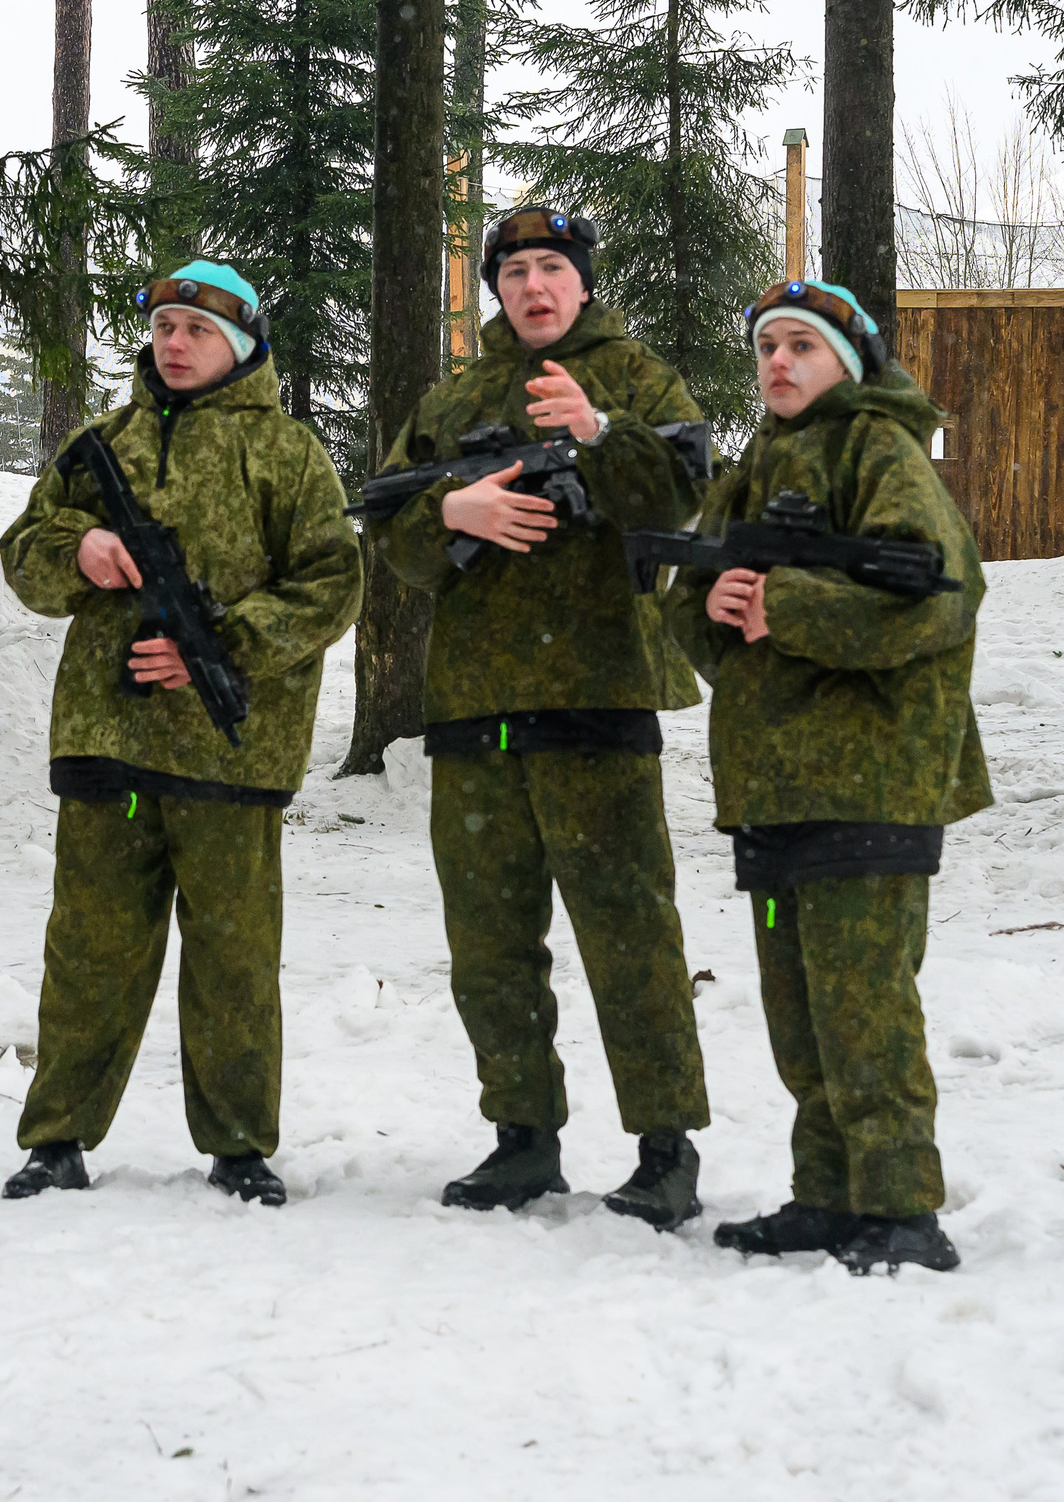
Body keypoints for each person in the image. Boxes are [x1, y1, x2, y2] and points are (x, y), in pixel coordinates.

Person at [371, 207, 713, 1228]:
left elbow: (681, 496)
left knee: (628, 931)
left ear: (582, 283)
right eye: (514, 270)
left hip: (599, 695)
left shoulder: (637, 378)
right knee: (488, 940)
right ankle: (522, 1139)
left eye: (551, 268)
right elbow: (387, 525)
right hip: (477, 704)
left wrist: (600, 436)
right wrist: (446, 515)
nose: (532, 286)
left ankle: (665, 1148)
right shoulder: (456, 394)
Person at [0, 263, 362, 1207]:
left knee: (233, 955)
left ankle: (240, 1145)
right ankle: (58, 1137)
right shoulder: (99, 444)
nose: (174, 340)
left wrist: (223, 651)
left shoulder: (287, 453)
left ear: (238, 346)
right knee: (89, 951)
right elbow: (25, 556)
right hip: (106, 739)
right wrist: (76, 551)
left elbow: (332, 583)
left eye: (195, 327)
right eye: (162, 324)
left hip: (231, 752)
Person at [662, 278, 990, 1275]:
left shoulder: (879, 451)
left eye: (801, 345)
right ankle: (826, 1193)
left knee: (865, 1010)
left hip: (871, 782)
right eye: (767, 346)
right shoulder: (754, 465)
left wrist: (789, 607)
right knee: (800, 1016)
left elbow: (941, 598)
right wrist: (711, 608)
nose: (777, 363)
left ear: (845, 363)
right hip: (772, 786)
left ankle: (900, 1209)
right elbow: (694, 614)